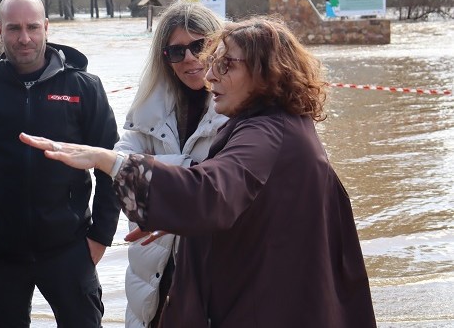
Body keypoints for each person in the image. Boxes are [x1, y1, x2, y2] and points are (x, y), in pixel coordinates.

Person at [20, 16, 377, 327]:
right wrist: (177, 214)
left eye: (226, 65)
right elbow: (239, 203)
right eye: (214, 63)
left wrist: (106, 160)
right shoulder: (278, 122)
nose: (209, 74)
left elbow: (210, 192)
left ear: (266, 72)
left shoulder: (267, 132)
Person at [0, 0, 120, 327]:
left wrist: (100, 238)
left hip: (69, 249)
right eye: (13, 28)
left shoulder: (84, 87)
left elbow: (110, 166)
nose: (24, 38)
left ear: (46, 27)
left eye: (32, 27)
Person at [115, 0, 227, 328]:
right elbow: (121, 166)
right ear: (165, 59)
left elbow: (225, 189)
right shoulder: (149, 108)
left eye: (200, 46)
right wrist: (186, 179)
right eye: (176, 52)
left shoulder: (241, 109)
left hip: (214, 273)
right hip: (153, 277)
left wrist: (160, 180)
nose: (190, 58)